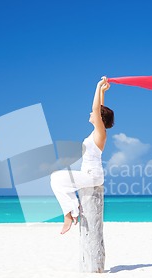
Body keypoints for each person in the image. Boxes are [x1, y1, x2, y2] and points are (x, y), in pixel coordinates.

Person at [50, 76, 114, 234]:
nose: (90, 113)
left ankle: (69, 214)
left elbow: (96, 109)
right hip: (88, 174)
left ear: (100, 118)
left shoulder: (101, 133)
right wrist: (103, 91)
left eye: (95, 114)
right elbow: (99, 107)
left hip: (93, 175)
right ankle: (72, 211)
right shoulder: (96, 133)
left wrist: (98, 86)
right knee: (57, 179)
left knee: (57, 178)